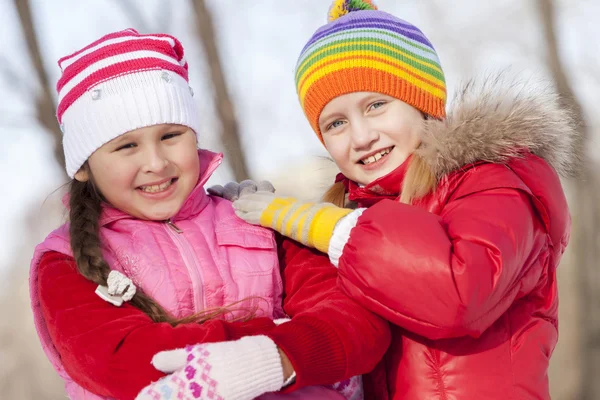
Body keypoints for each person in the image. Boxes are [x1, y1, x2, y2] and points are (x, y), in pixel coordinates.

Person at [228, 1, 579, 398]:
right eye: (336, 123)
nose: (361, 137)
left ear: (421, 102)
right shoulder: (354, 214)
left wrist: (328, 226)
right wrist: (239, 227)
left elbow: (459, 296)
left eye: (376, 105)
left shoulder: (494, 182)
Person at [29, 28, 390, 400]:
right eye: (127, 146)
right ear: (84, 166)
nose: (155, 162)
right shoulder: (66, 263)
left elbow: (354, 323)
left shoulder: (258, 221)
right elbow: (121, 362)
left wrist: (268, 360)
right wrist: (286, 343)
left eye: (170, 136)